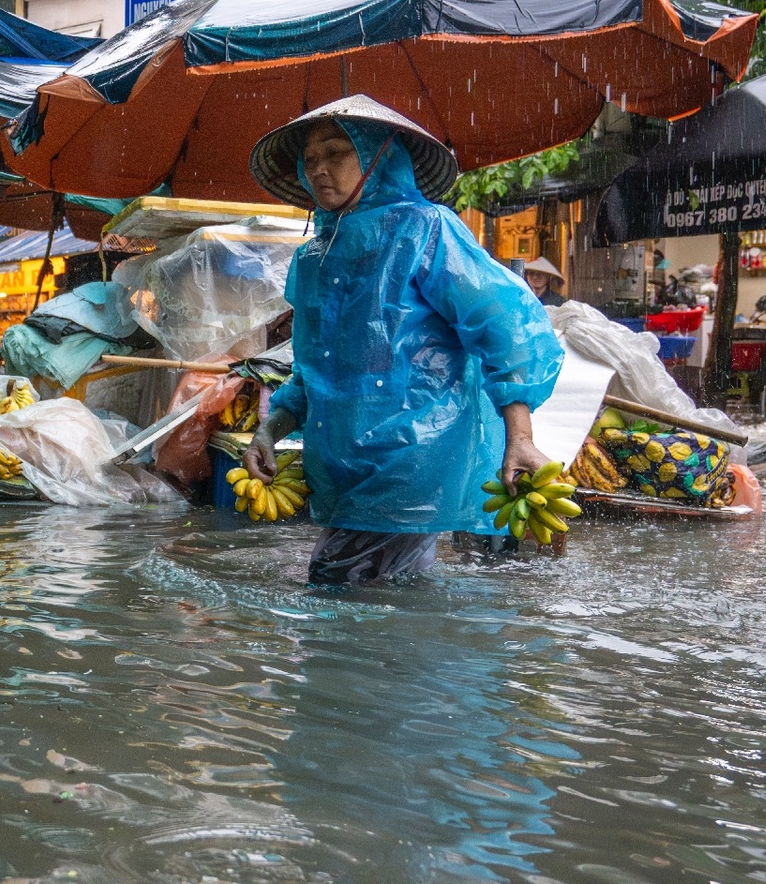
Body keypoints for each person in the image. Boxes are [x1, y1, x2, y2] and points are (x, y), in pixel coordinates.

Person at [241, 97, 564, 586]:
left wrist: (520, 438)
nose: (321, 170)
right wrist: (270, 429)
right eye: (310, 160)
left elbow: (509, 329)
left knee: (340, 596)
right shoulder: (314, 257)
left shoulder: (428, 230)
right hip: (339, 467)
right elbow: (314, 370)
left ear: (378, 156)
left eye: (337, 152)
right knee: (377, 608)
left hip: (414, 453)